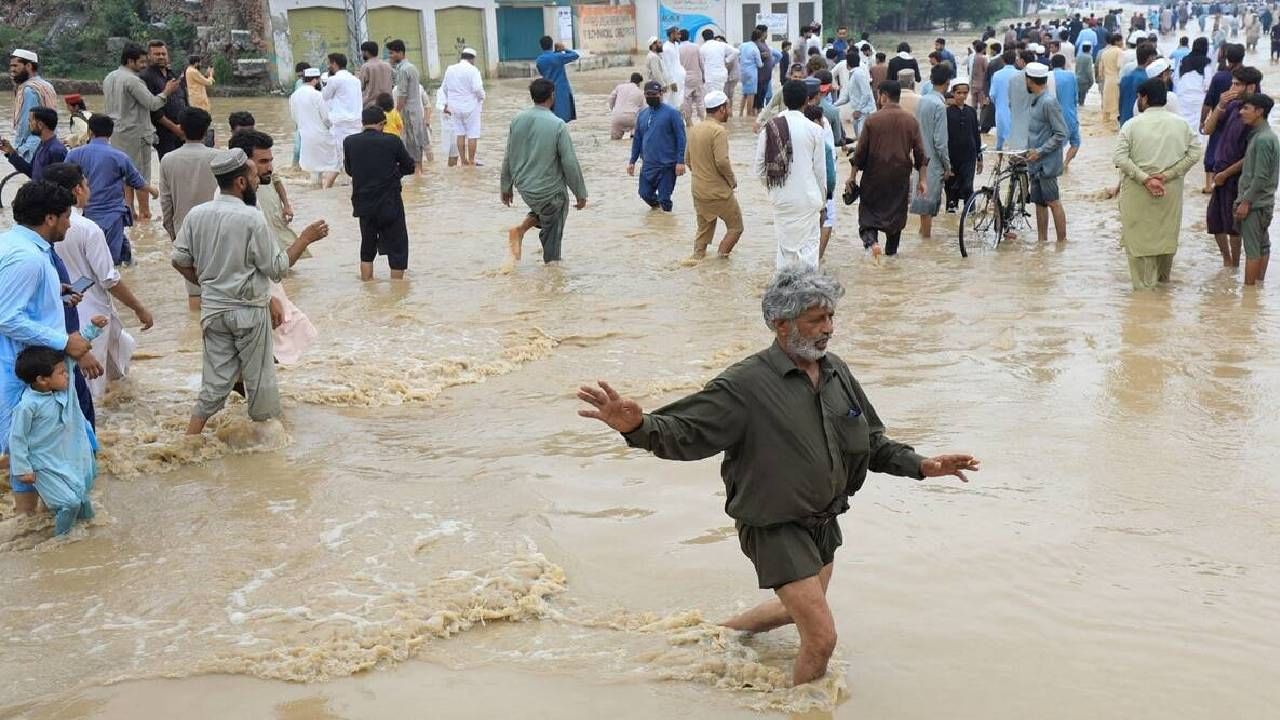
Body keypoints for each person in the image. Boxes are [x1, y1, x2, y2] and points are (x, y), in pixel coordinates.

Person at [576, 266, 979, 687]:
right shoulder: (744, 385)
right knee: (821, 639)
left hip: (822, 523)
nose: (829, 329)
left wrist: (923, 465)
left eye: (830, 317)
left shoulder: (835, 371)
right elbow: (686, 435)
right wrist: (636, 427)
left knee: (797, 608)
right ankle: (801, 708)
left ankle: (719, 635)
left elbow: (870, 440)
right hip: (773, 526)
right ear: (780, 324)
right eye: (816, 320)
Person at [170, 149, 327, 435]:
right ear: (241, 182)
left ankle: (189, 439)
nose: (258, 182)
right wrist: (305, 238)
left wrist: (207, 285)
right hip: (249, 313)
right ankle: (267, 453)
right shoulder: (251, 218)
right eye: (254, 176)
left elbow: (178, 259)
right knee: (259, 382)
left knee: (214, 381)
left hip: (214, 311)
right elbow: (277, 268)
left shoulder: (197, 215)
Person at [0, 181, 96, 518]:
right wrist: (64, 341)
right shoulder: (27, 259)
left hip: (29, 366)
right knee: (26, 449)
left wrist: (54, 292)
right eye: (67, 216)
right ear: (50, 218)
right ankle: (27, 525)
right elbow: (6, 315)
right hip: (21, 371)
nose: (70, 223)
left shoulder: (16, 245)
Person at [43, 162, 152, 398]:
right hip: (93, 318)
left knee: (115, 373)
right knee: (94, 387)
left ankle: (122, 417)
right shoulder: (88, 229)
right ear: (78, 190)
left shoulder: (42, 226)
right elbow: (109, 279)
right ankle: (108, 427)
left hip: (63, 315)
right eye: (87, 183)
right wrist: (139, 308)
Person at [9, 324, 104, 537]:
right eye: (61, 373)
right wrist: (23, 469)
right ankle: (60, 542)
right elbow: (17, 438)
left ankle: (83, 542)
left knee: (84, 504)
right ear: (42, 380)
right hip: (43, 465)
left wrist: (93, 330)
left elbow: (72, 356)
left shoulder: (62, 389)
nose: (68, 376)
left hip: (66, 459)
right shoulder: (27, 406)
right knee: (69, 503)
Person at [1114, 78, 1202, 290]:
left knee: (1139, 249)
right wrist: (1169, 174)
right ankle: (1162, 304)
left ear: (1143, 98)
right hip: (1169, 194)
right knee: (1165, 244)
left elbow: (1119, 158)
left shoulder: (1131, 125)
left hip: (1138, 194)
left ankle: (1145, 305)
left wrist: (1145, 179)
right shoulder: (1181, 124)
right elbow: (1195, 153)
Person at [500, 78, 588, 266]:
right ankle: (551, 271)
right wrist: (580, 193)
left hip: (525, 189)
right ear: (552, 96)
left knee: (546, 208)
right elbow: (570, 163)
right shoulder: (558, 124)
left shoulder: (517, 119)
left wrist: (505, 187)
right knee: (554, 220)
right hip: (549, 193)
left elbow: (508, 155)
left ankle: (521, 230)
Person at [65, 115, 158, 266]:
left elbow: (62, 178)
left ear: (90, 132)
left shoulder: (74, 155)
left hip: (86, 214)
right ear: (111, 133)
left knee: (92, 256)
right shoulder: (119, 156)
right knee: (111, 262)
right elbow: (136, 181)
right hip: (113, 216)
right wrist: (153, 191)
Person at [754, 80, 827, 269]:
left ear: (784, 100)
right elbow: (820, 173)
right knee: (809, 252)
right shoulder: (815, 130)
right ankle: (808, 294)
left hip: (782, 199)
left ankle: (783, 291)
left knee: (785, 250)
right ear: (806, 100)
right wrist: (823, 203)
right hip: (808, 199)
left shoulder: (770, 128)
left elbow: (760, 169)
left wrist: (775, 187)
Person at [102, 43, 180, 221]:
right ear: (130, 61)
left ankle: (129, 212)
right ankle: (145, 213)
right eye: (142, 62)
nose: (145, 65)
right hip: (136, 134)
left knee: (124, 174)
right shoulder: (133, 80)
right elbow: (152, 103)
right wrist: (167, 92)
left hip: (116, 133)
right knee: (140, 175)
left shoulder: (110, 77)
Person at [849, 80, 926, 257]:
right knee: (895, 220)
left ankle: (873, 243)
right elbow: (920, 153)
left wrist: (852, 177)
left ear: (883, 96)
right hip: (899, 178)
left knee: (868, 218)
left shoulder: (872, 120)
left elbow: (860, 153)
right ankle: (891, 254)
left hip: (874, 177)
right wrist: (922, 180)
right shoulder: (911, 121)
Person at [344, 107, 416, 280]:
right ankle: (397, 291)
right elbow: (410, 167)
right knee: (398, 248)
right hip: (389, 203)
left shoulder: (349, 142)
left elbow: (349, 170)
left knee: (367, 249)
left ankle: (367, 286)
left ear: (363, 123)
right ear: (382, 123)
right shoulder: (393, 141)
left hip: (364, 205)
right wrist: (394, 174)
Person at [157, 107, 219, 308]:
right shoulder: (219, 158)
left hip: (185, 230)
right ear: (206, 130)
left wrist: (172, 232)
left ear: (181, 129)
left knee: (195, 291)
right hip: (218, 228)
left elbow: (166, 202)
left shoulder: (168, 160)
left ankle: (194, 336)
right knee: (221, 285)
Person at [1203, 65, 1263, 267]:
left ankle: (1235, 264)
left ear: (1251, 87)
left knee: (1233, 226)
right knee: (1214, 221)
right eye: (1232, 83)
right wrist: (1219, 105)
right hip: (1221, 173)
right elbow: (1208, 129)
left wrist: (1226, 173)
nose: (1232, 87)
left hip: (1237, 177)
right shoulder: (1232, 106)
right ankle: (1227, 261)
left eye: (1237, 84)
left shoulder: (1255, 116)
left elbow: (1250, 155)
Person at [228, 129, 305, 261]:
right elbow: (274, 267)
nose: (270, 168)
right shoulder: (240, 210)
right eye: (263, 162)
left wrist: (286, 205)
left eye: (270, 161)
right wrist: (306, 239)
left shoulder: (250, 196)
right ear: (245, 163)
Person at [684, 91, 741, 262]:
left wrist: (702, 175)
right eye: (728, 107)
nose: (730, 112)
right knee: (736, 227)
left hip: (698, 190)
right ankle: (720, 262)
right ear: (722, 109)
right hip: (719, 192)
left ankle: (697, 259)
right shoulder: (718, 131)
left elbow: (687, 160)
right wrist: (732, 180)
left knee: (704, 230)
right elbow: (722, 161)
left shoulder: (694, 129)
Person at [1234, 92, 1278, 285]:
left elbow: (1260, 176)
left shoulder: (1262, 140)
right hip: (1263, 201)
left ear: (1259, 112)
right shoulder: (1266, 136)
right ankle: (1257, 289)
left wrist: (1245, 201)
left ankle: (1248, 296)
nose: (1241, 112)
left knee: (1252, 250)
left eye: (1246, 108)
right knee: (1262, 246)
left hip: (1255, 204)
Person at [1024, 63, 1068, 244]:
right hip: (1034, 162)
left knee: (1052, 201)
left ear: (1029, 81)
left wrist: (1040, 152)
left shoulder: (1048, 102)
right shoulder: (1036, 100)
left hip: (1046, 163)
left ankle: (1061, 242)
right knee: (1039, 203)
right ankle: (1042, 241)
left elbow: (1061, 133)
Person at [628, 81, 686, 212]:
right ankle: (657, 217)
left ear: (661, 94)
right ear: (644, 95)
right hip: (648, 165)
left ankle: (667, 224)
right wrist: (632, 161)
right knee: (644, 194)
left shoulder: (672, 113)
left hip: (667, 165)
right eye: (648, 94)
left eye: (654, 94)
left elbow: (681, 138)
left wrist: (680, 161)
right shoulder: (642, 115)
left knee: (665, 199)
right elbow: (637, 139)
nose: (651, 97)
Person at [910, 65, 950, 239]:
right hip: (933, 161)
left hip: (920, 159)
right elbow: (940, 142)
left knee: (922, 204)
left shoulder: (923, 100)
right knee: (929, 205)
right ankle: (925, 241)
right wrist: (948, 165)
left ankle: (922, 237)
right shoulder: (940, 106)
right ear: (948, 83)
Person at [1202, 44, 1245, 194]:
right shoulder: (1249, 79)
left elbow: (1207, 103)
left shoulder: (1219, 77)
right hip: (1239, 125)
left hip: (1218, 123)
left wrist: (1203, 120)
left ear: (1227, 59)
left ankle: (1209, 186)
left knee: (1212, 155)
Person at [290, 68, 340, 187]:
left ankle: (315, 191)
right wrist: (331, 127)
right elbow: (326, 118)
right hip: (321, 135)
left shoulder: (294, 96)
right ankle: (326, 190)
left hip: (305, 136)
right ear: (316, 80)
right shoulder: (317, 95)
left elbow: (294, 117)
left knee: (314, 168)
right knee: (333, 164)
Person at [139, 40, 188, 162]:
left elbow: (184, 99)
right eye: (157, 54)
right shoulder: (145, 77)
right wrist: (175, 128)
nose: (161, 57)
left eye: (163, 54)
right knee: (169, 167)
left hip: (183, 130)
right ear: (149, 57)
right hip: (164, 133)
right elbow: (153, 111)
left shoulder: (173, 74)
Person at [8, 49, 58, 162]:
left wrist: (18, 149)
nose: (12, 70)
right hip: (49, 141)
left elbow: (26, 124)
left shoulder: (28, 90)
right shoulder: (46, 85)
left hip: (32, 148)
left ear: (29, 66)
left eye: (16, 66)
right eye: (11, 66)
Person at [441, 48, 486, 166]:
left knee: (459, 133)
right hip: (470, 107)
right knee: (472, 133)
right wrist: (482, 97)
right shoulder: (473, 70)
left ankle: (463, 160)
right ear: (472, 59)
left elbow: (445, 88)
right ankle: (471, 160)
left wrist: (447, 102)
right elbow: (477, 89)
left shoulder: (450, 69)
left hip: (455, 107)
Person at [387, 40, 427, 173]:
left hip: (408, 112)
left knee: (411, 142)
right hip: (416, 110)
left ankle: (417, 172)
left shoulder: (404, 70)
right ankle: (419, 170)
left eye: (392, 53)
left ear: (400, 52)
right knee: (417, 141)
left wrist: (396, 113)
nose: (390, 56)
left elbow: (402, 95)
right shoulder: (410, 67)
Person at [945, 79, 981, 213]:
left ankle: (970, 217)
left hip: (969, 156)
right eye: (958, 92)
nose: (962, 96)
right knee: (951, 188)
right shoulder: (947, 113)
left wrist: (979, 157)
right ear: (953, 93)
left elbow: (976, 135)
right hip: (952, 157)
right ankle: (951, 219)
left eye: (965, 93)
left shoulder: (971, 112)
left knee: (968, 186)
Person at [2, 107, 66, 181]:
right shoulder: (41, 145)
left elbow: (60, 184)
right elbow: (31, 172)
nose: (29, 125)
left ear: (40, 125)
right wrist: (11, 152)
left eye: (30, 121)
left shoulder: (56, 151)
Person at [322, 53, 363, 164]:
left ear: (334, 63)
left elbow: (325, 96)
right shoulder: (356, 80)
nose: (328, 66)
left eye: (329, 63)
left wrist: (327, 81)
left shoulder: (334, 80)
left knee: (339, 157)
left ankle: (339, 180)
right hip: (356, 122)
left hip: (340, 124)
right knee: (355, 154)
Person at [536, 36, 580, 123]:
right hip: (561, 91)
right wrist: (564, 49)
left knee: (549, 119)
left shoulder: (539, 60)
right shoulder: (559, 57)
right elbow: (575, 55)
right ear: (551, 45)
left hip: (546, 91)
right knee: (562, 119)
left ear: (541, 46)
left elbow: (543, 73)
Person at [1051, 54, 1081, 171]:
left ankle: (1056, 165)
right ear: (1064, 64)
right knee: (1075, 143)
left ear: (1051, 64)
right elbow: (1075, 98)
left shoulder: (1049, 76)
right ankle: (1065, 164)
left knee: (1055, 145)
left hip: (1054, 116)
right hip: (1070, 115)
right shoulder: (1071, 76)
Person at [1175, 39, 1212, 133]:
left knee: (1182, 126)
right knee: (1196, 131)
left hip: (1183, 98)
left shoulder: (1183, 60)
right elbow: (1208, 84)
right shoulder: (1207, 63)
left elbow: (1176, 79)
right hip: (1199, 99)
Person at [1119, 44, 1157, 126]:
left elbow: (1120, 103)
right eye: (1154, 59)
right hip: (1139, 124)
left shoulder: (1125, 78)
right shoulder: (1148, 80)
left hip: (1124, 122)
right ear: (1150, 58)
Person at [990, 50, 1020, 148]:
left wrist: (997, 104)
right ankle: (1016, 160)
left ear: (1003, 60)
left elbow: (992, 94)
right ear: (1015, 60)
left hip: (1001, 110)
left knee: (1000, 139)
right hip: (1017, 111)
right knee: (1017, 138)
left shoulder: (997, 75)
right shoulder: (1020, 74)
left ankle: (998, 161)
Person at [700, 28, 737, 98]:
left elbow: (702, 64)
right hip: (721, 75)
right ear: (713, 36)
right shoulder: (721, 44)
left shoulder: (702, 48)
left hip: (710, 76)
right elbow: (736, 52)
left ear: (703, 38)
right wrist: (726, 60)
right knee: (720, 95)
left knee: (711, 97)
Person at [608, 73, 645, 140]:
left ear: (631, 80)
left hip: (617, 117)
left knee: (615, 141)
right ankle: (632, 136)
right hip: (632, 118)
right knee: (634, 140)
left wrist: (612, 108)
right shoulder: (640, 92)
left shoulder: (620, 87)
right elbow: (643, 109)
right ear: (639, 83)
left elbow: (611, 98)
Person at [680, 31, 707, 124]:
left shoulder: (678, 48)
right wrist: (704, 75)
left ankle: (689, 122)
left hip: (684, 78)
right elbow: (701, 63)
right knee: (700, 101)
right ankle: (703, 121)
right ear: (689, 36)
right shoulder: (696, 47)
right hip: (696, 77)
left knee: (686, 101)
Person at [358, 40, 393, 108]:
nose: (362, 54)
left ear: (367, 52)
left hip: (371, 105)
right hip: (388, 104)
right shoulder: (387, 65)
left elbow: (360, 87)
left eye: (363, 52)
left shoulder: (366, 66)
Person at [1099, 33, 1124, 124]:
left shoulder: (1105, 52)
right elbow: (1120, 66)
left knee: (1107, 105)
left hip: (1107, 81)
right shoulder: (1119, 51)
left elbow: (1100, 70)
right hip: (1116, 80)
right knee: (1117, 104)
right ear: (1117, 41)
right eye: (1121, 40)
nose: (1122, 42)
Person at [738, 31, 763, 117]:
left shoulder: (743, 45)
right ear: (759, 38)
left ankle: (740, 113)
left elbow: (738, 56)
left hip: (742, 72)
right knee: (751, 95)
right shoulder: (755, 49)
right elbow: (759, 64)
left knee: (744, 93)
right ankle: (749, 114)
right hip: (751, 74)